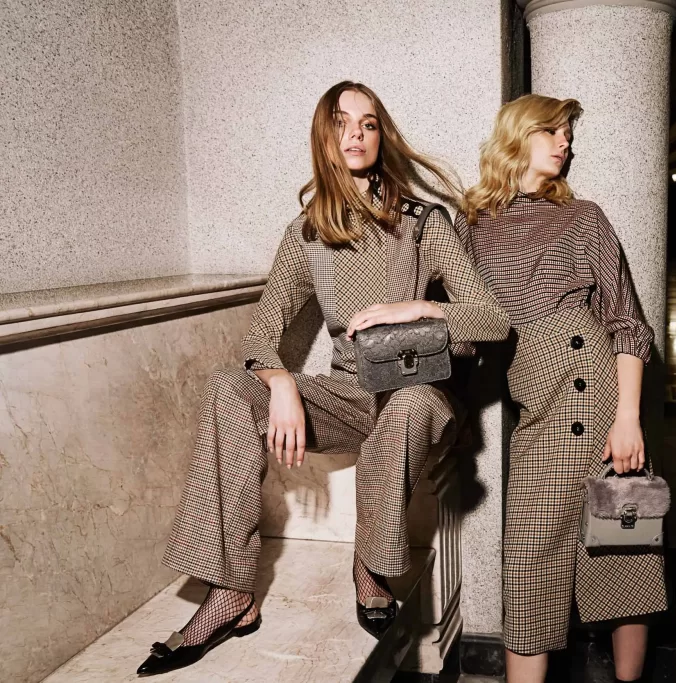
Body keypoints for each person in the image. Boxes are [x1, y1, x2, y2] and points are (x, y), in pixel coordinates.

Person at [137, 81, 509, 676]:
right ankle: (231, 592)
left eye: (368, 123)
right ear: (325, 137)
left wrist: (417, 308)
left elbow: (492, 320)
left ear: (381, 136)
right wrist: (282, 384)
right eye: (342, 122)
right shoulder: (307, 234)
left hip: (420, 394)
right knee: (229, 387)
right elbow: (261, 333)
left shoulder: (423, 222)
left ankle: (371, 565)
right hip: (350, 395)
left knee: (411, 401)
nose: (356, 134)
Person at [455, 94, 667, 683]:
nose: (564, 141)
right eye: (551, 130)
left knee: (625, 561)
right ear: (516, 135)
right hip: (540, 417)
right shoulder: (471, 226)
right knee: (528, 574)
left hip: (603, 403)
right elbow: (465, 327)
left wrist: (629, 419)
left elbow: (628, 322)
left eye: (567, 133)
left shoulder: (585, 217)